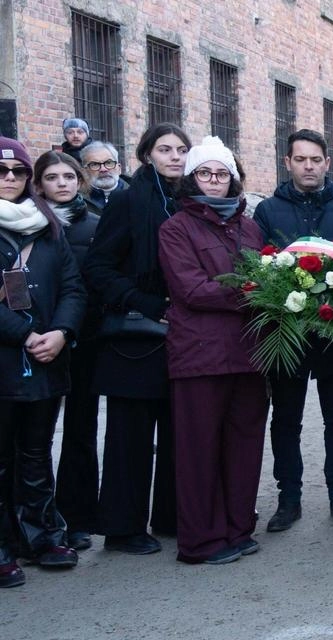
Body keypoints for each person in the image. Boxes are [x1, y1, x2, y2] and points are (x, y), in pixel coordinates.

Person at [157, 137, 267, 565]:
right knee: (199, 450)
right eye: (205, 173)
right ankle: (200, 541)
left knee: (243, 445)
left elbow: (267, 274)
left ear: (234, 180)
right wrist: (254, 292)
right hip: (200, 356)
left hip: (249, 354)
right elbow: (190, 289)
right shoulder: (176, 228)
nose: (215, 181)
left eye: (222, 174)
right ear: (192, 179)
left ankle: (238, 528)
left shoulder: (249, 226)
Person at [83, 122, 191, 556]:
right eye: (165, 149)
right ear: (147, 155)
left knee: (177, 431)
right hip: (135, 335)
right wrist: (142, 300)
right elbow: (98, 267)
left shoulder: (191, 202)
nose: (175, 157)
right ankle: (123, 527)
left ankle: (170, 515)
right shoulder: (128, 202)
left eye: (182, 149)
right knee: (130, 436)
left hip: (182, 333)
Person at [254, 129, 333, 531]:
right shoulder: (268, 210)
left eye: (315, 160)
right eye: (300, 159)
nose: (308, 166)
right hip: (287, 335)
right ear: (287, 163)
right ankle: (289, 499)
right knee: (286, 419)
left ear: (327, 163)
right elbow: (258, 269)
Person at [0, 137, 87, 587]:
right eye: (2, 172)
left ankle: (42, 534)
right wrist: (26, 334)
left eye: (18, 172)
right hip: (6, 359)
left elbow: (73, 287)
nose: (11, 179)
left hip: (47, 359)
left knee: (36, 452)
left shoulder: (46, 227)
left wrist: (61, 332)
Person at [34, 151, 101, 551]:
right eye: (52, 177)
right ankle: (35, 517)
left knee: (81, 430)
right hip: (33, 343)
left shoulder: (95, 224)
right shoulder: (26, 225)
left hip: (84, 341)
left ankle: (78, 517)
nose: (62, 183)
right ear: (39, 184)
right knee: (34, 438)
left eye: (69, 176)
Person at [80, 142, 129, 214]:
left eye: (109, 163)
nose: (103, 169)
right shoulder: (77, 201)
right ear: (84, 172)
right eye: (95, 164)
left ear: (119, 168)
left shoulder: (137, 196)